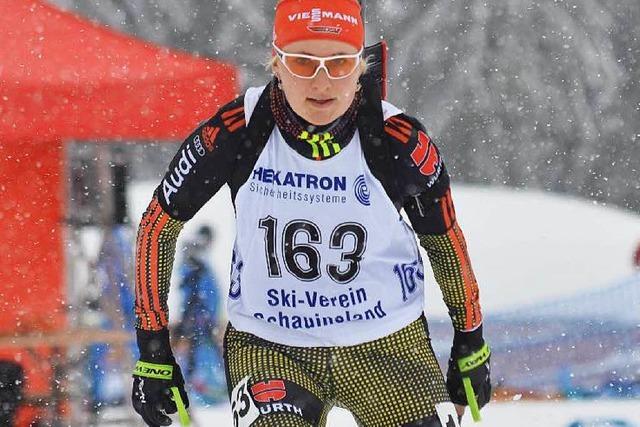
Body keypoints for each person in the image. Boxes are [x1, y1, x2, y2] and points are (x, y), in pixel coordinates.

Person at [130, 1, 491, 426]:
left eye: (339, 63)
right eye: (303, 62)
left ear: (361, 67)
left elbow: (444, 240)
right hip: (270, 347)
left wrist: (470, 339)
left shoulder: (398, 140)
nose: (321, 81)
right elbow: (159, 222)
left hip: (388, 346)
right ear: (276, 64)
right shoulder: (239, 129)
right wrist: (153, 350)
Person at [173, 225, 226, 404]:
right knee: (197, 354)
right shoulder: (196, 261)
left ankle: (192, 390)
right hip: (199, 320)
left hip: (201, 319)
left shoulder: (198, 261)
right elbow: (197, 294)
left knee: (199, 355)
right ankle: (191, 391)